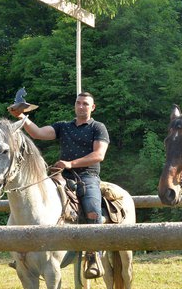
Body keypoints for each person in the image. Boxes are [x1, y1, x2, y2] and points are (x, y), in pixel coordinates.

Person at [9, 92, 110, 278]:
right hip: (61, 174)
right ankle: (23, 256)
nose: (81, 107)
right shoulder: (64, 126)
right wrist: (22, 117)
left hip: (88, 175)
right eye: (78, 103)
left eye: (85, 104)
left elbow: (99, 155)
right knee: (33, 200)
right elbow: (38, 133)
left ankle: (93, 256)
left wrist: (71, 163)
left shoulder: (98, 127)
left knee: (93, 210)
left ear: (92, 107)